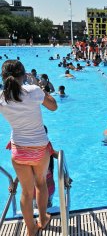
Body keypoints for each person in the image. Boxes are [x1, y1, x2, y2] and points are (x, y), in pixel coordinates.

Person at [0, 60, 57, 235]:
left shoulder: (2, 98)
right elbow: (53, 106)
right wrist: (38, 86)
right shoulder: (33, 91)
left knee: (26, 191)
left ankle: (30, 228)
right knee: (41, 184)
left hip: (18, 149)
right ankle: (43, 218)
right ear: (24, 75)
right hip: (39, 147)